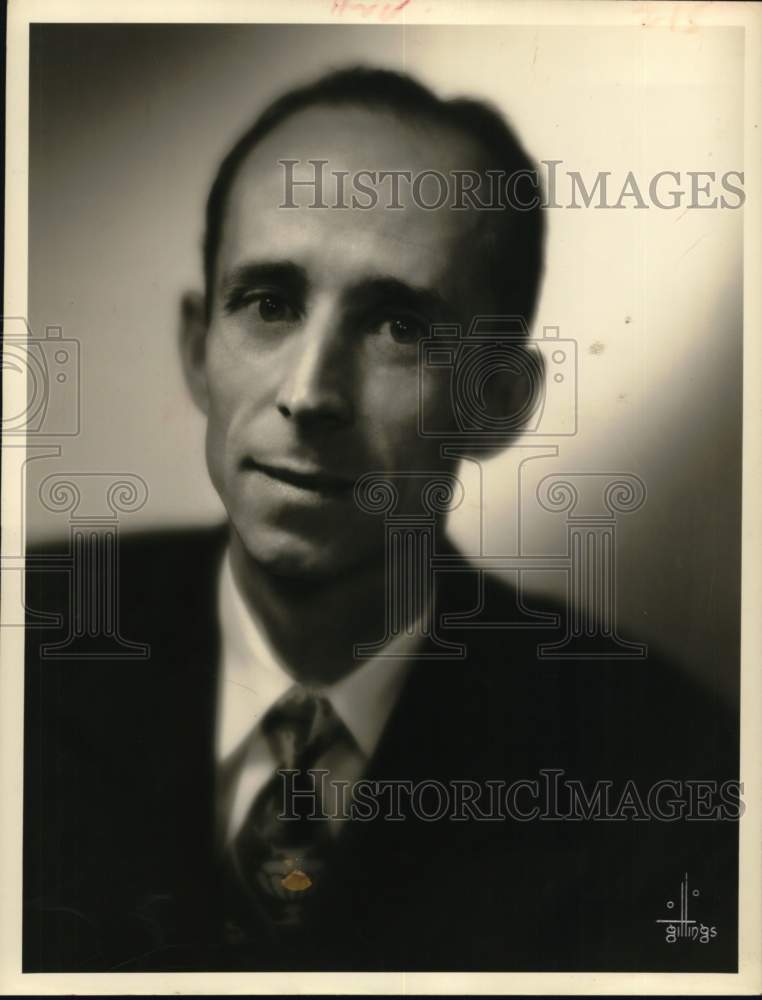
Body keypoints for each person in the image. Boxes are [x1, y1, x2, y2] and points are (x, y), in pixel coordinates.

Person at [23, 67, 738, 973]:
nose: (311, 393)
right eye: (270, 305)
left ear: (499, 403)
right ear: (199, 350)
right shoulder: (28, 650)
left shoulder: (666, 773)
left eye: (399, 327)